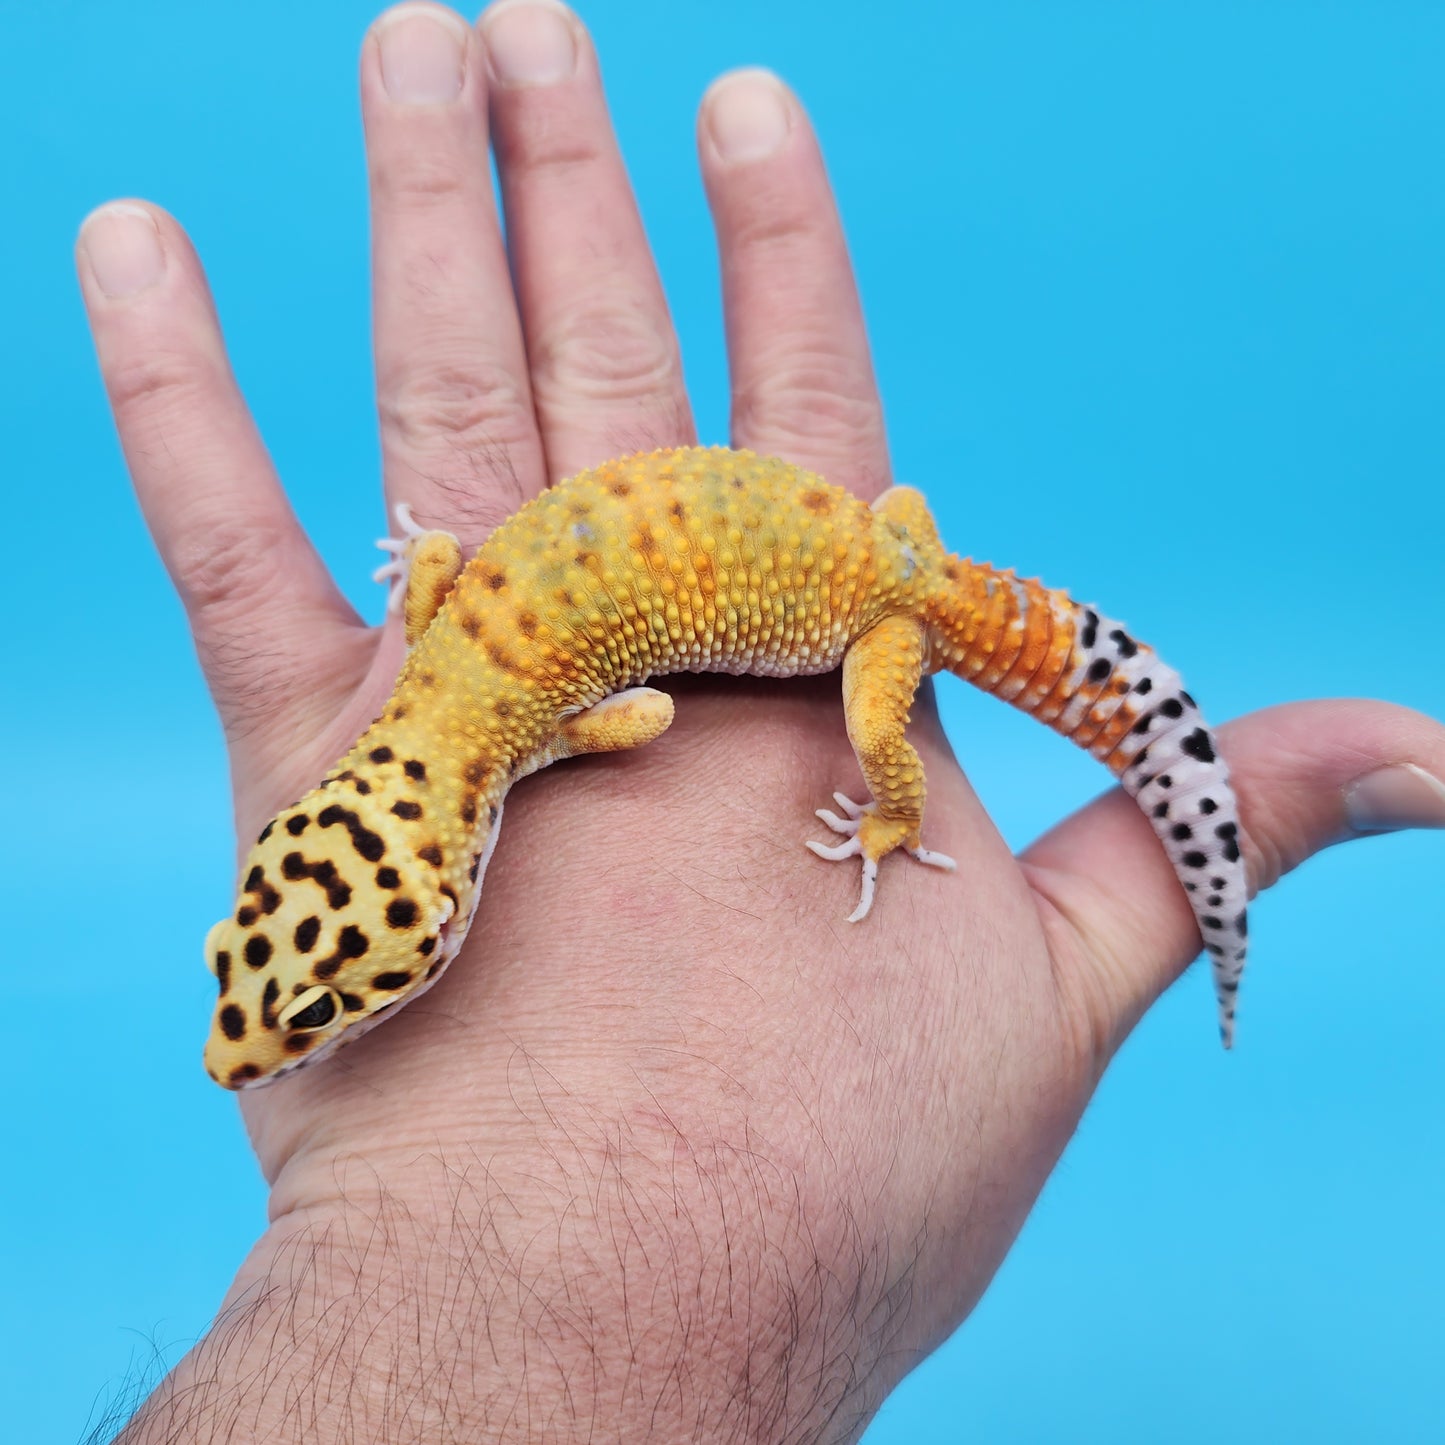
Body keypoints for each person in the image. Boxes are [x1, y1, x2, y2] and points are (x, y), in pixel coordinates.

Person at [76, 1, 1445, 1439]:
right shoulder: (440, 660)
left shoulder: (525, 730)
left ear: (435, 894)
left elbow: (647, 715)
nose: (263, 1042)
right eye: (289, 986)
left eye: (299, 1003)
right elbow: (445, 582)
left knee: (894, 724)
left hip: (878, 618)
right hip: (876, 537)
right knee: (960, 607)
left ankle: (894, 811)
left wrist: (884, 809)